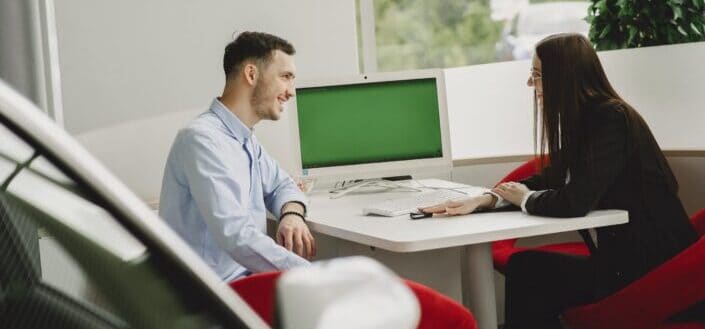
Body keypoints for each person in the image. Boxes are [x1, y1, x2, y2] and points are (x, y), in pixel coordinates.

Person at [421, 33, 701, 328]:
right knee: (530, 271)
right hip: (626, 259)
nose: (531, 85)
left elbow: (576, 201)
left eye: (537, 75)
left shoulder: (611, 120)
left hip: (655, 270)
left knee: (528, 271)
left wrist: (524, 199)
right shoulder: (591, 120)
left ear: (563, 78)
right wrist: (488, 198)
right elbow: (551, 178)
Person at [159, 31, 315, 282]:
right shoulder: (202, 140)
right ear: (251, 74)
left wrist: (292, 214)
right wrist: (315, 275)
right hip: (213, 296)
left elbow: (282, 185)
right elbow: (237, 237)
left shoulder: (246, 140)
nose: (291, 92)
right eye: (285, 77)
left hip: (245, 281)